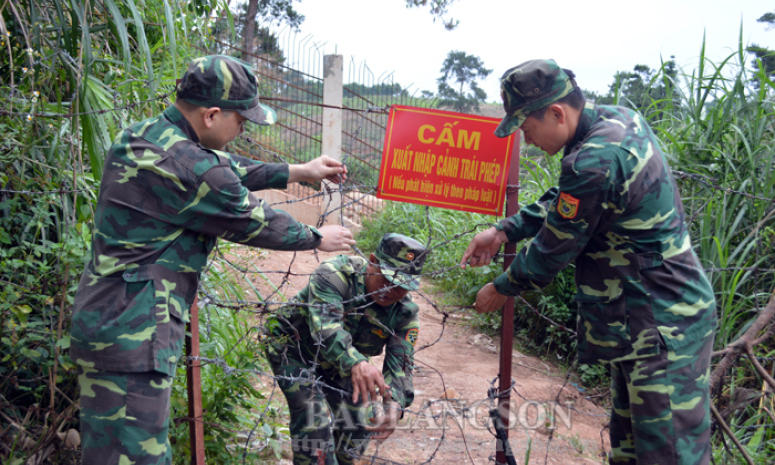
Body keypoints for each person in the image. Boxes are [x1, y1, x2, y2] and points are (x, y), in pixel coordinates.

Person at [70, 55, 356, 465]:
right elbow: (253, 218)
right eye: (241, 120)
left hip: (106, 320)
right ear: (212, 115)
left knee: (112, 452)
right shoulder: (195, 169)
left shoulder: (144, 136)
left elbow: (223, 166)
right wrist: (315, 237)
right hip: (134, 337)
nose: (243, 129)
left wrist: (297, 170)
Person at [460, 59, 716, 465]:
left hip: (661, 324)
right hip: (642, 320)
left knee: (669, 456)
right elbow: (567, 201)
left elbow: (552, 250)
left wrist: (500, 288)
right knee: (632, 451)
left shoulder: (594, 160)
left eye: (527, 129)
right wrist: (506, 230)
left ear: (557, 113)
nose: (527, 142)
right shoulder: (615, 122)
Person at [265, 233, 427, 465]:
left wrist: (395, 404)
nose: (391, 290)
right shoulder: (335, 274)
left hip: (340, 363)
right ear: (372, 261)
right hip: (293, 348)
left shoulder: (404, 312)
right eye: (387, 278)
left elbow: (400, 365)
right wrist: (356, 363)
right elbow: (326, 330)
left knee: (362, 420)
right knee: (314, 419)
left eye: (402, 286)